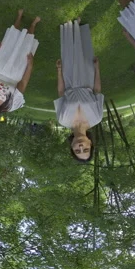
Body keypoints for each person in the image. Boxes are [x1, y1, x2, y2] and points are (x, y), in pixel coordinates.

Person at [54, 19, 103, 163]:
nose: (81, 146)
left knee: (69, 55)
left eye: (77, 150)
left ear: (71, 146)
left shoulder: (62, 120)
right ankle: (80, 27)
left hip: (69, 79)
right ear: (90, 144)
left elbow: (61, 93)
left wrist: (59, 71)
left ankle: (68, 28)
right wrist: (97, 68)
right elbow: (97, 90)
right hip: (87, 77)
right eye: (85, 149)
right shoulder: (97, 117)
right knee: (85, 52)